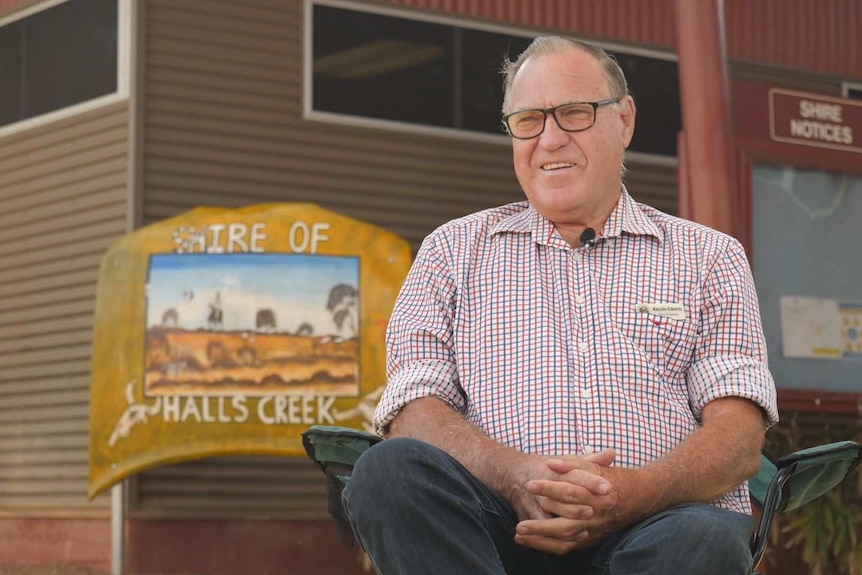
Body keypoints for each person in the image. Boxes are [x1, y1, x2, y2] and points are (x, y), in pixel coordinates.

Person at [342, 36, 778, 575]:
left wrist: (632, 493)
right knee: (387, 471)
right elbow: (414, 409)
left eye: (573, 113)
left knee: (703, 538)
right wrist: (515, 475)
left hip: (659, 531)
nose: (549, 140)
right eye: (528, 121)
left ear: (624, 120)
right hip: (494, 530)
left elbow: (738, 439)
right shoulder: (453, 251)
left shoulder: (709, 257)